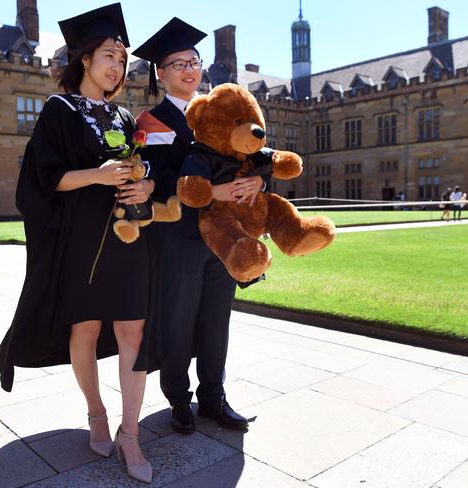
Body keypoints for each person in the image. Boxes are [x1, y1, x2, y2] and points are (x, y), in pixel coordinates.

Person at [0, 4, 153, 483]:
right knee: (83, 333)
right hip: (81, 244)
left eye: (122, 60)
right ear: (84, 58)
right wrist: (97, 175)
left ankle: (131, 434)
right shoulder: (58, 110)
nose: (116, 66)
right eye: (109, 55)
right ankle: (96, 414)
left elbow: (141, 166)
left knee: (133, 335)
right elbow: (41, 181)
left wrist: (144, 183)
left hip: (127, 242)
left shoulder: (125, 116)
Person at [133, 18, 268, 435]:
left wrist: (259, 179)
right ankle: (178, 398)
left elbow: (258, 150)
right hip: (178, 238)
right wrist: (214, 192)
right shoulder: (151, 122)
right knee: (177, 319)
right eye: (178, 64)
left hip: (225, 238)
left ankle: (214, 396)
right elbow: (157, 179)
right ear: (161, 72)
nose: (189, 70)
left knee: (216, 319)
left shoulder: (223, 112)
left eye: (194, 61)